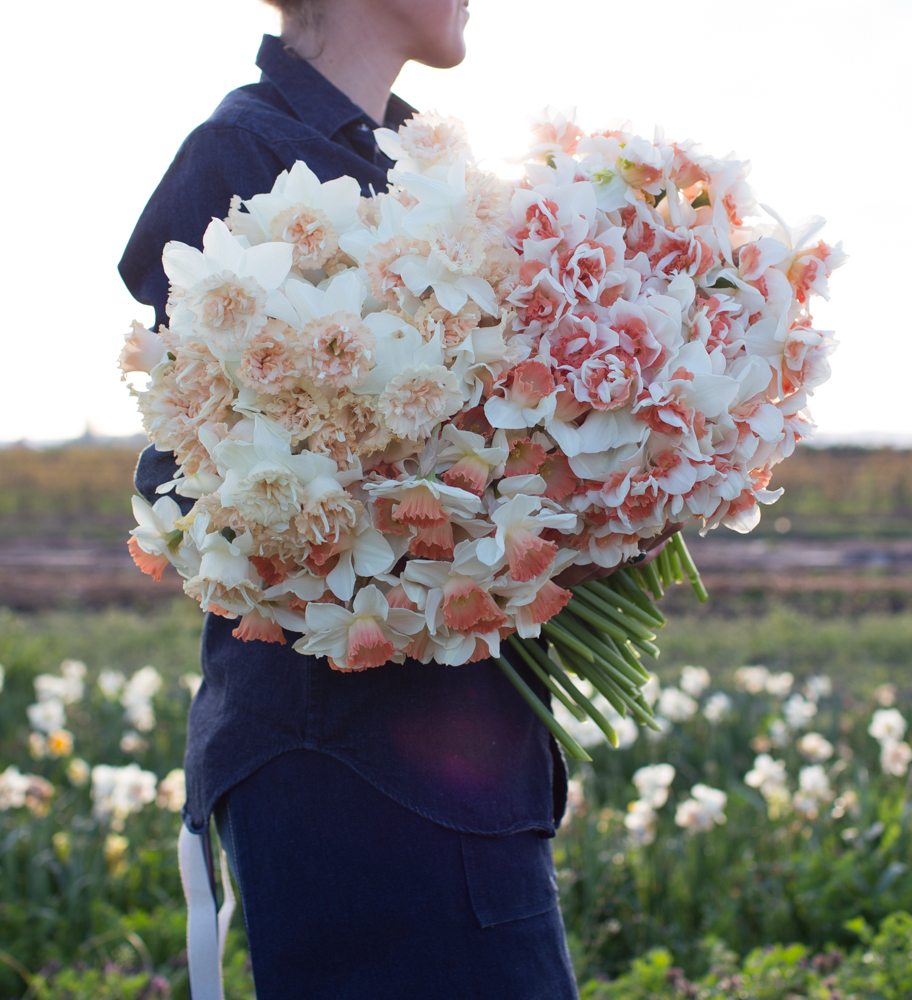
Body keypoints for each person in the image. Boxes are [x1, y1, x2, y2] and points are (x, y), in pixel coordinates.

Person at [119, 2, 582, 997]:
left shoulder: (430, 173)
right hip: (349, 768)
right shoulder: (241, 155)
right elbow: (198, 477)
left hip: (456, 757)